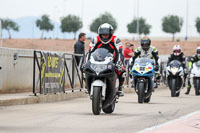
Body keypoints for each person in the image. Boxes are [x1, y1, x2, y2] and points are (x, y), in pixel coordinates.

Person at [86, 23, 125, 97]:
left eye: (106, 34)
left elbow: (119, 53)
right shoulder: (95, 39)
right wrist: (87, 62)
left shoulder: (116, 40)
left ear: (110, 34)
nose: (104, 36)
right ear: (100, 34)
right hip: (97, 60)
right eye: (103, 35)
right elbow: (89, 52)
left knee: (122, 71)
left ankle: (119, 88)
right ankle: (86, 85)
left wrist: (119, 62)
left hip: (112, 60)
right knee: (86, 69)